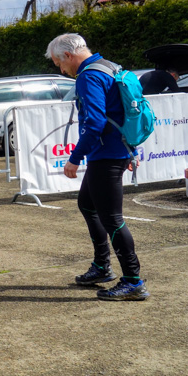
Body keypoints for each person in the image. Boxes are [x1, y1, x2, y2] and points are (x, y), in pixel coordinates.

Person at [46, 33, 149, 301]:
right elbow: (124, 112)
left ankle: (133, 281)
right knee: (88, 204)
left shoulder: (88, 76)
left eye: (59, 63)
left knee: (112, 218)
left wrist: (75, 157)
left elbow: (95, 123)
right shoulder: (109, 66)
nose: (61, 69)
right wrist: (130, 150)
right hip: (114, 150)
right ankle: (102, 266)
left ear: (68, 56)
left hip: (105, 155)